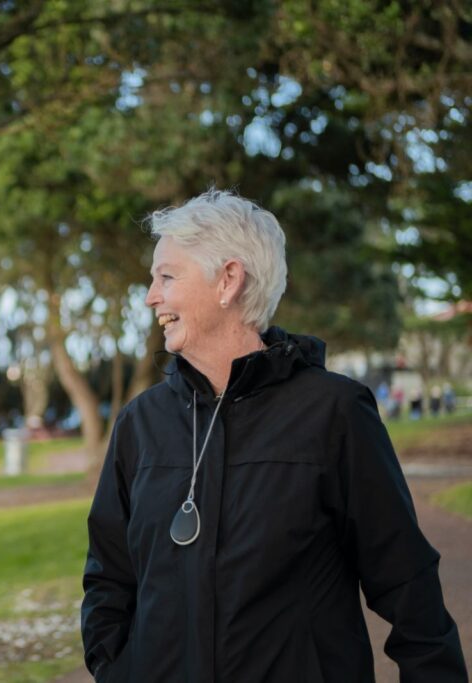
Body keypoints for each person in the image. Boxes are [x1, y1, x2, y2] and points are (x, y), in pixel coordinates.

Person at [81, 189, 466, 682]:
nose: (151, 295)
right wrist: (119, 670)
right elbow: (108, 578)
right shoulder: (140, 423)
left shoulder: (335, 413)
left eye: (166, 276)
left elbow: (408, 585)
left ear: (229, 280)